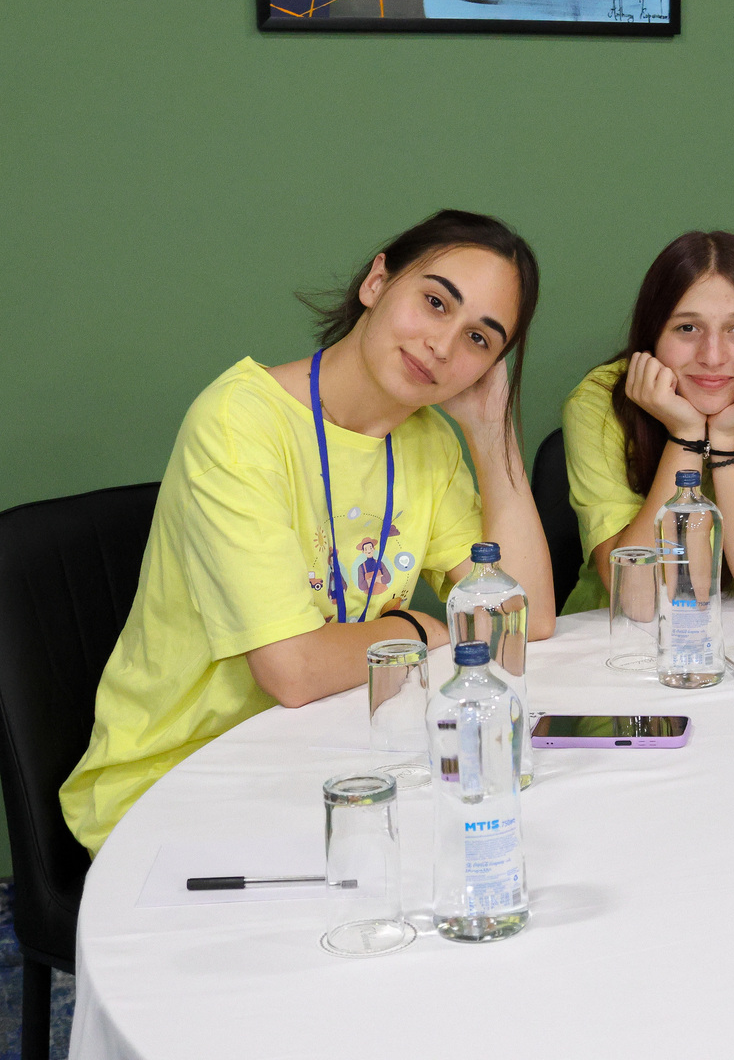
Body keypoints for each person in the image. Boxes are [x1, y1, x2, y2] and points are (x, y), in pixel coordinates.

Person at [61, 209, 556, 855]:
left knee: (506, 837)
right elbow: (292, 670)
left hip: (331, 754)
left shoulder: (430, 443)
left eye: (479, 340)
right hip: (177, 780)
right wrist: (417, 629)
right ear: (377, 282)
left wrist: (492, 436)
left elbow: (523, 617)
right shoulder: (240, 422)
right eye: (435, 302)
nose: (443, 346)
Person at [562, 231, 734, 614]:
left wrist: (729, 438)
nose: (713, 356)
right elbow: (639, 601)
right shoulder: (597, 402)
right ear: (653, 335)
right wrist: (685, 436)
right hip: (617, 635)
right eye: (687, 328)